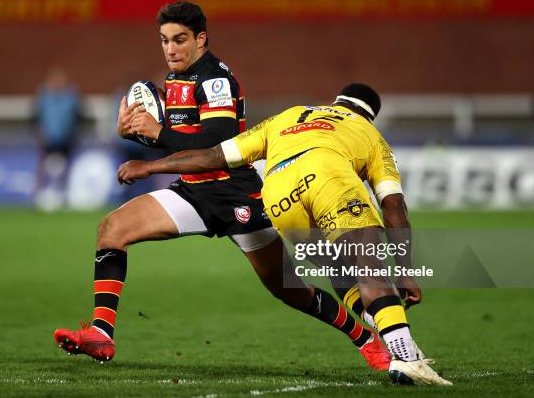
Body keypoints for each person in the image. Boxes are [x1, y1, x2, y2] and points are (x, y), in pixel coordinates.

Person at [54, 2, 391, 369]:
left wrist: (154, 146)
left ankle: (364, 337)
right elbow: (182, 141)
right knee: (112, 228)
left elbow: (217, 141)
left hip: (236, 195)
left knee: (290, 290)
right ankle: (102, 334)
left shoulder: (215, 79)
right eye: (164, 40)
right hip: (194, 192)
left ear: (201, 39)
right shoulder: (176, 80)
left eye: (180, 40)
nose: (171, 49)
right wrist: (137, 134)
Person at [117, 83, 453, 386]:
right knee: (367, 264)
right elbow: (394, 207)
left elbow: (214, 156)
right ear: (370, 114)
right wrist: (406, 272)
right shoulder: (368, 133)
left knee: (338, 269)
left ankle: (401, 344)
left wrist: (149, 166)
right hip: (327, 177)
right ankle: (407, 359)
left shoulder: (288, 116)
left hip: (279, 195)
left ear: (336, 101)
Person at [33, 68, 82, 210]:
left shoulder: (71, 97)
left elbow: (78, 117)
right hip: (48, 139)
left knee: (66, 168)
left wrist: (74, 134)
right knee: (43, 167)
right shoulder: (44, 97)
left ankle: (63, 196)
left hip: (66, 139)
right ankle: (39, 195)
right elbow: (36, 117)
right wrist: (40, 134)